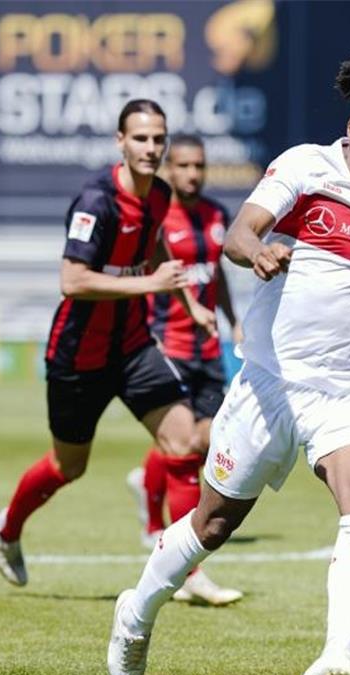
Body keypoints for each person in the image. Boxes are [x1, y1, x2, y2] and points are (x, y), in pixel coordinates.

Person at [106, 48, 350, 675]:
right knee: (213, 524)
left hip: (346, 391)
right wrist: (262, 252)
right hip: (268, 384)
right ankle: (136, 611)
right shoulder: (307, 166)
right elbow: (239, 234)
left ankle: (338, 655)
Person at [0, 99, 218, 588]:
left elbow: (156, 246)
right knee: (68, 466)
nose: (150, 148)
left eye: (158, 139)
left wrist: (191, 303)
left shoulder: (159, 195)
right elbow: (72, 280)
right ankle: (6, 527)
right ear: (120, 141)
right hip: (78, 357)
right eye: (140, 138)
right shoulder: (96, 202)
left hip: (134, 347)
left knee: (181, 444)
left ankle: (188, 572)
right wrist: (151, 285)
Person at [122, 132, 244, 607]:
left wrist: (233, 320)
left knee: (202, 440)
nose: (193, 174)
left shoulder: (216, 215)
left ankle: (148, 486)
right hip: (166, 345)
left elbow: (217, 276)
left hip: (209, 349)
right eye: (185, 166)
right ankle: (188, 568)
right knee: (186, 448)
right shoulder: (155, 217)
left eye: (200, 166)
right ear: (169, 170)